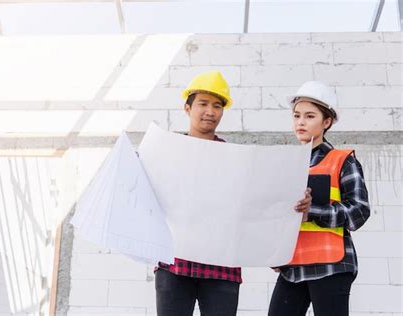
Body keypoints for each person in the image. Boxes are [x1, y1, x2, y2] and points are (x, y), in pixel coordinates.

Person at [154, 71, 312, 316]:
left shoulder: (237, 162)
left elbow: (259, 206)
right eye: (203, 104)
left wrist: (296, 206)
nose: (210, 111)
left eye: (217, 105)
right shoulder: (166, 153)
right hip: (174, 265)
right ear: (187, 108)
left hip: (221, 269)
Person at [268, 81, 371, 316]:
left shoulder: (342, 160)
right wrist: (274, 251)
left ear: (327, 122)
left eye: (309, 116)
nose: (301, 122)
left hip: (331, 265)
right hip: (293, 267)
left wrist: (312, 210)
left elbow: (359, 211)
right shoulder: (285, 166)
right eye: (296, 116)